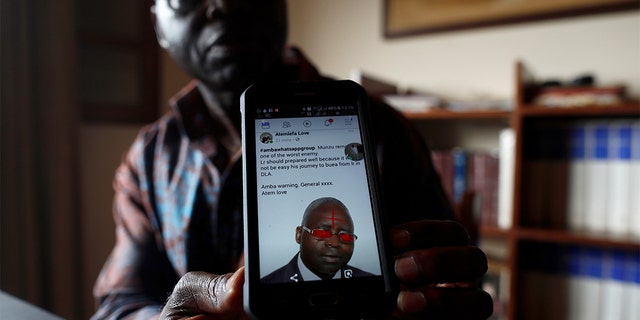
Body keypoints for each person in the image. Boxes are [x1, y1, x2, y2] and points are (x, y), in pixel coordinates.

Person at [92, 0, 493, 319]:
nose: (225, 5)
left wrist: (444, 296)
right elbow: (118, 303)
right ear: (159, 25)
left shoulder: (381, 130)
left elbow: (450, 285)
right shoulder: (149, 158)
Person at [262, 197, 372, 283]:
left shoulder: (373, 287)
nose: (334, 243)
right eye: (322, 233)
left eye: (345, 236)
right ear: (299, 235)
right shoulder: (265, 289)